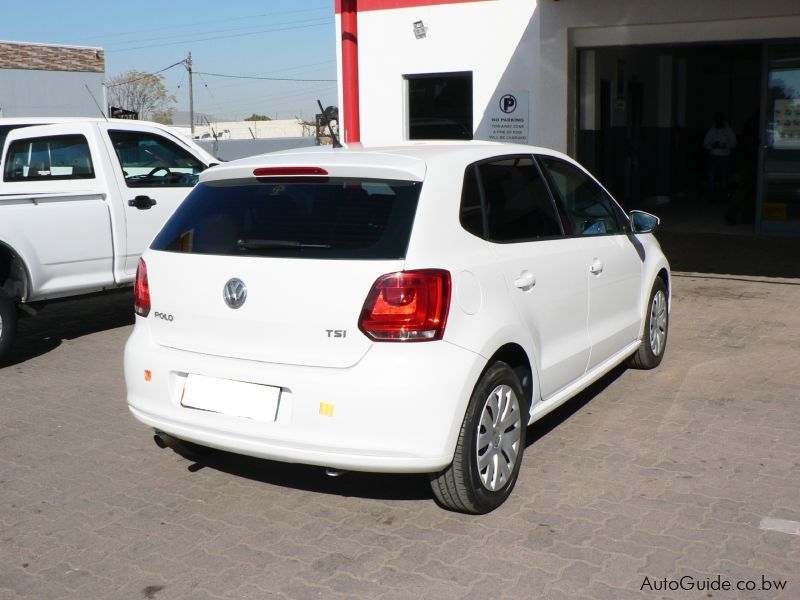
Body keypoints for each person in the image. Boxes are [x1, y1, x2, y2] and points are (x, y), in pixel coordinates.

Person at [704, 111, 737, 203]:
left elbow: (734, 142)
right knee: (711, 176)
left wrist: (726, 145)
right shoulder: (712, 130)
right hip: (713, 156)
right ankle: (711, 196)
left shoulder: (728, 130)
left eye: (719, 118)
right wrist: (712, 146)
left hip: (725, 156)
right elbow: (705, 143)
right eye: (716, 118)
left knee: (724, 177)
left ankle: (723, 196)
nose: (718, 120)